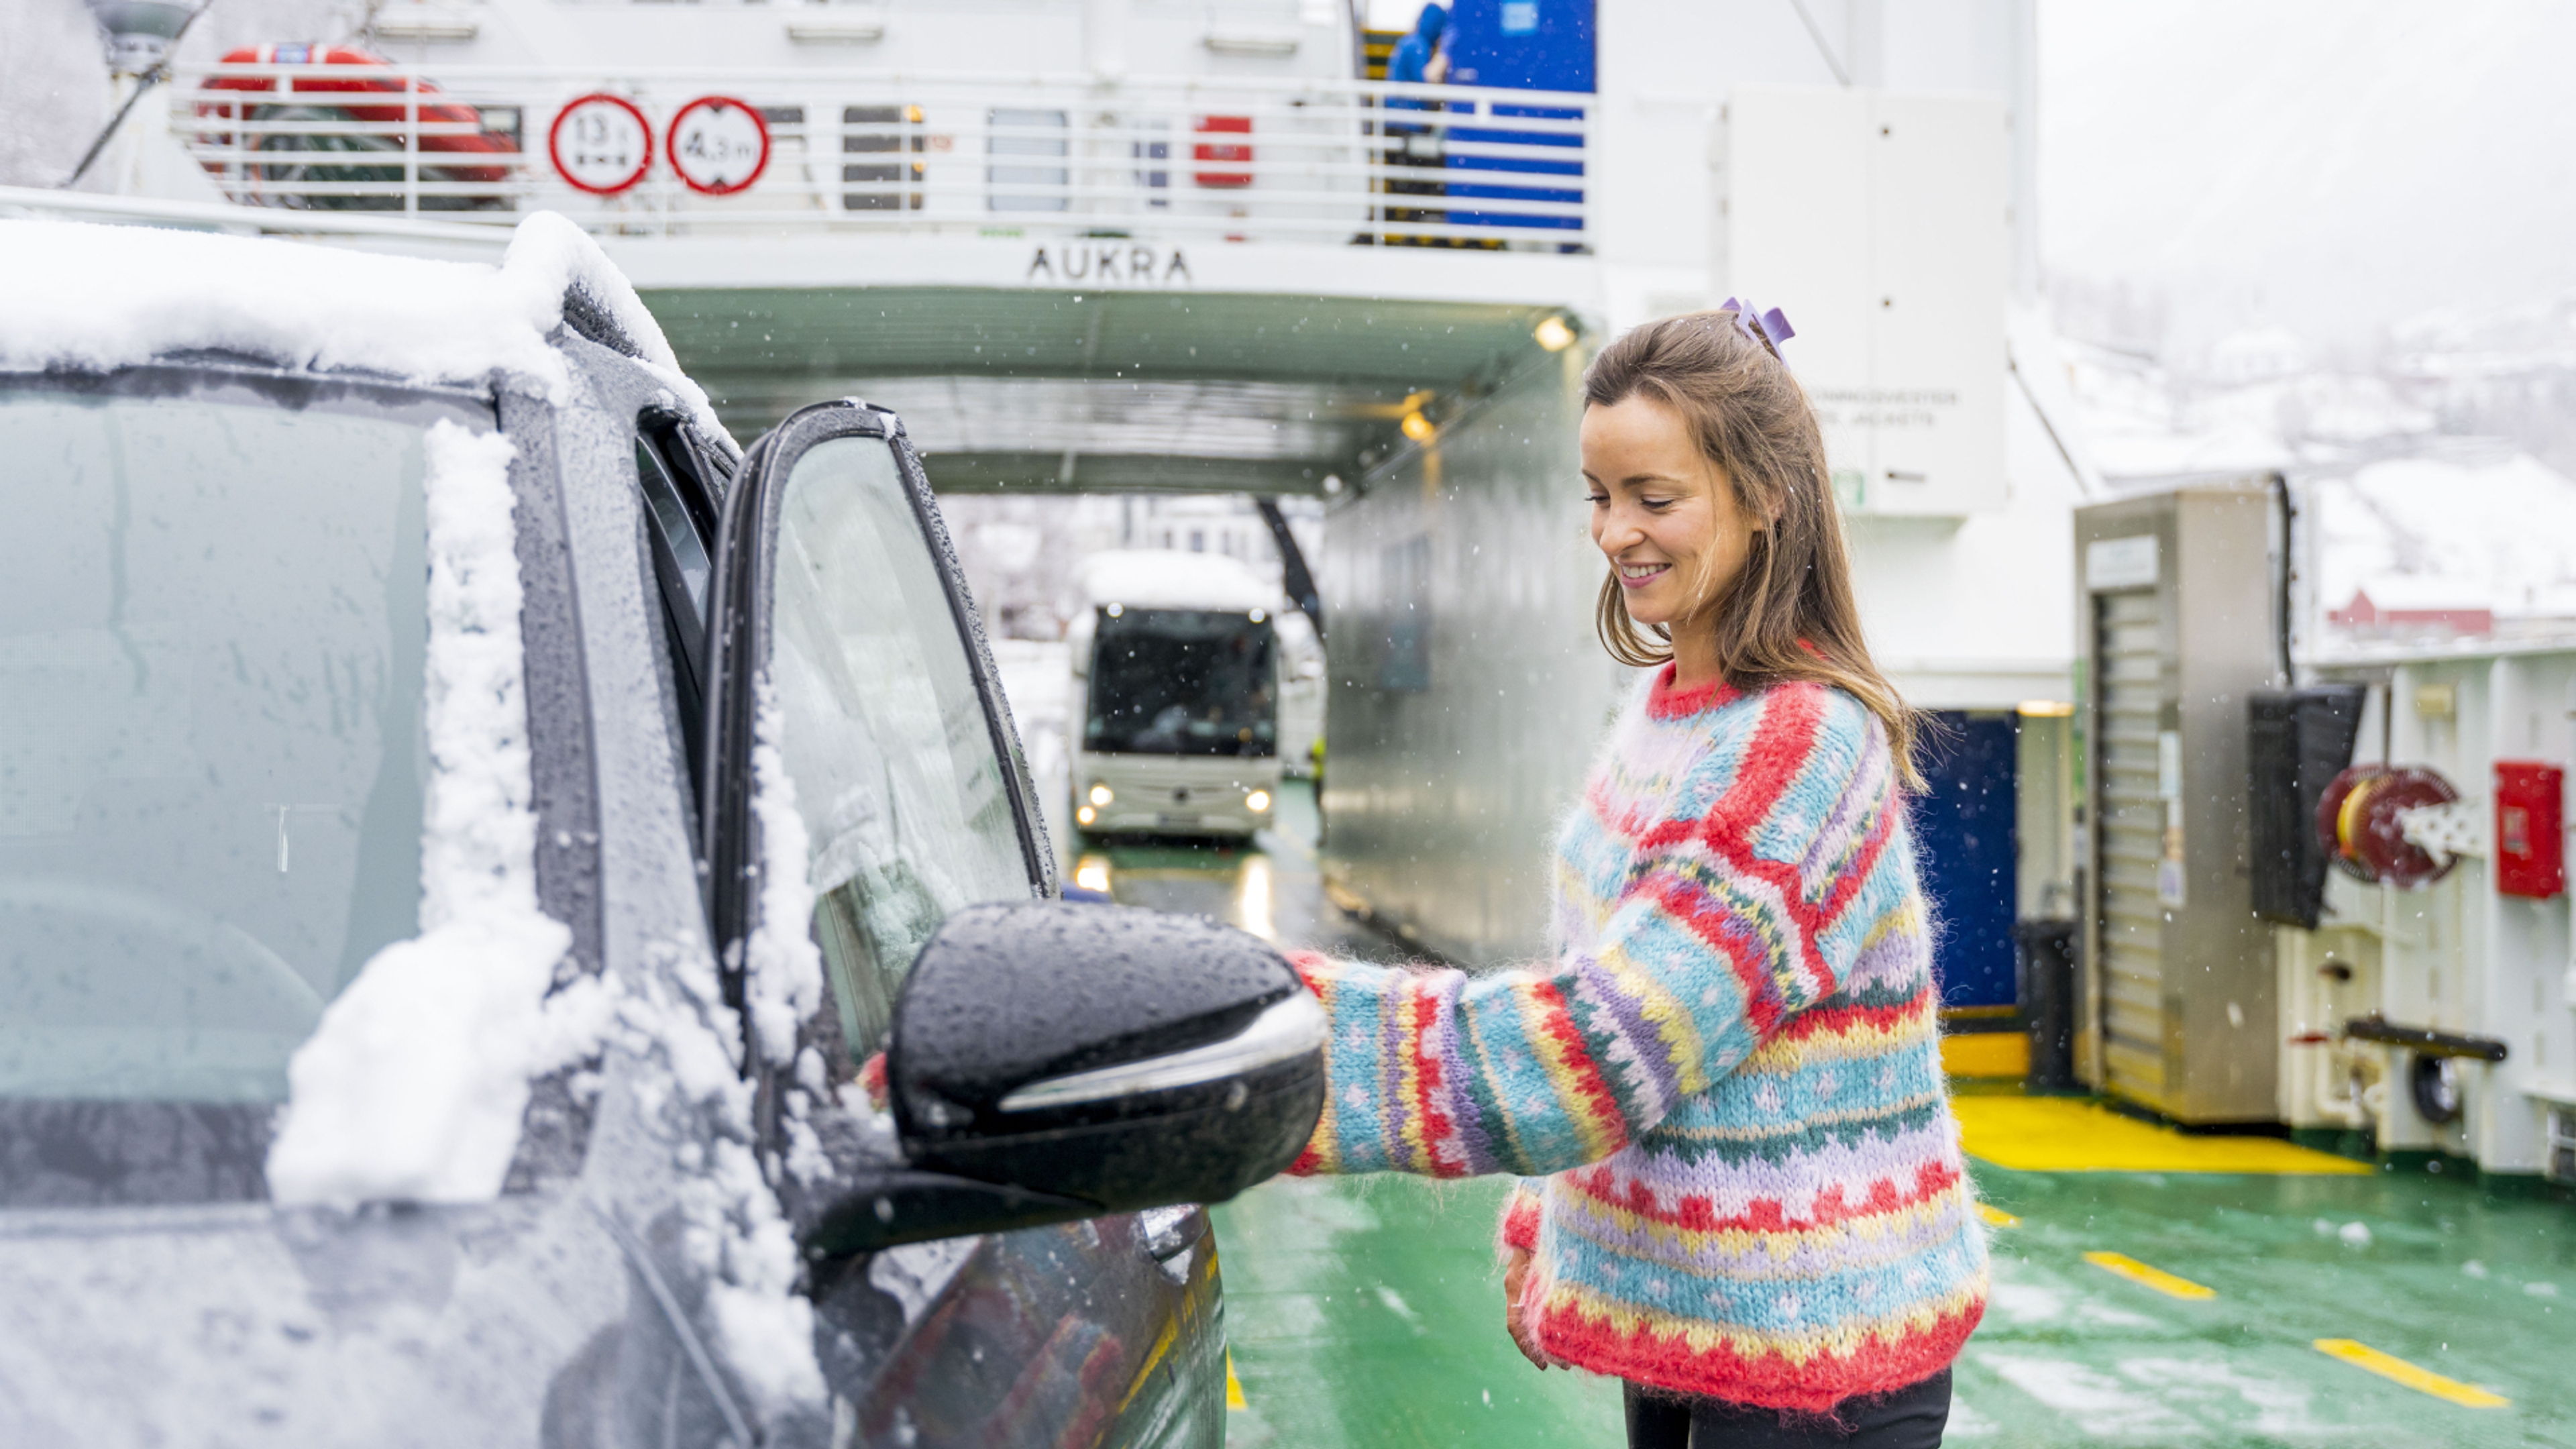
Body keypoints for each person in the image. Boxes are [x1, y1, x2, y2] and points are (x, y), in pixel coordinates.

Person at [1281, 307, 1986, 1448]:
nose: (1615, 532)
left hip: (1809, 1353)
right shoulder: (1663, 721)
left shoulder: (1799, 746)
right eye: (1598, 496)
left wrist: (1272, 1040)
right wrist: (1542, 1228)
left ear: (1766, 498)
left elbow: (1609, 1040)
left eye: (1655, 499)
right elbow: (1621, 993)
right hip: (1692, 1323)